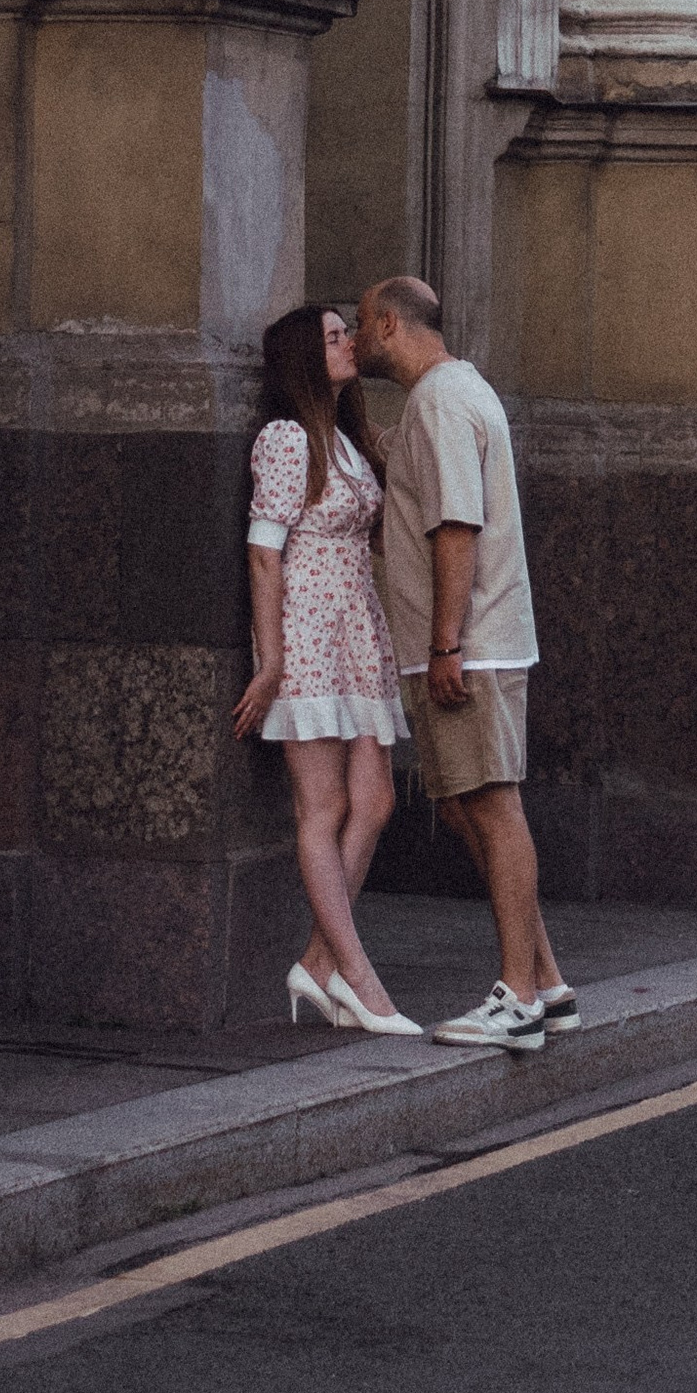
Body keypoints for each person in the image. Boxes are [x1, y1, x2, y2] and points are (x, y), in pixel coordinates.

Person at [353, 276, 574, 1056]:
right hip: (473, 642)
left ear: (388, 323)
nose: (353, 339)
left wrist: (445, 643)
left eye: (360, 325)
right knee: (466, 807)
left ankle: (516, 997)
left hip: (468, 646)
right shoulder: (457, 392)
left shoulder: (441, 401)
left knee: (490, 806)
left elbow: (456, 527)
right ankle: (545, 983)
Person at [233, 304, 422, 1038]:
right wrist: (272, 658)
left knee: (373, 801)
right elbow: (263, 552)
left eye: (347, 332)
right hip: (309, 631)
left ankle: (318, 966)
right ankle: (360, 979)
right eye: (334, 338)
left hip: (356, 628)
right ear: (306, 360)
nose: (349, 345)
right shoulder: (284, 440)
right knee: (323, 809)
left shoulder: (343, 438)